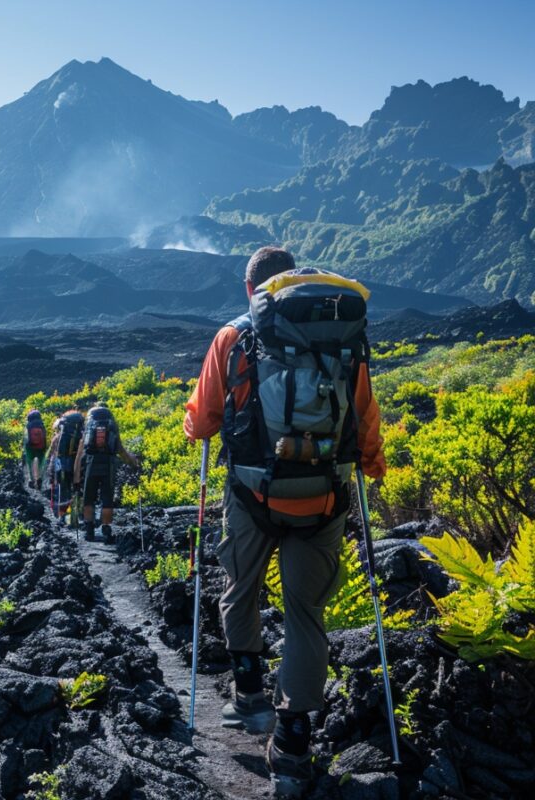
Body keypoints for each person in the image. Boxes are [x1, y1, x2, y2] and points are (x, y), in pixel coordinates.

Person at [184, 247, 385, 798]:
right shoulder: (342, 336)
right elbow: (364, 418)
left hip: (252, 494)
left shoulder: (233, 336)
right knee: (305, 614)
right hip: (324, 499)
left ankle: (249, 695)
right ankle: (293, 745)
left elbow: (202, 423)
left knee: (240, 586)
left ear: (250, 289)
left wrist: (194, 427)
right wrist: (371, 466)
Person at [73, 402, 138, 544]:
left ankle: (89, 530)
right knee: (107, 497)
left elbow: (81, 450)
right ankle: (106, 530)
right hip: (109, 463)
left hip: (91, 462)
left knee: (88, 497)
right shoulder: (112, 425)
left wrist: (76, 473)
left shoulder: (89, 424)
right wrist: (132, 462)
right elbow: (120, 449)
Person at [47, 407, 85, 524]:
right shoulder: (81, 435)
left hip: (61, 466)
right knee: (78, 489)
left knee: (64, 491)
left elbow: (50, 454)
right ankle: (79, 516)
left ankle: (64, 517)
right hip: (77, 466)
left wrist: (49, 468)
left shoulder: (58, 437)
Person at [22, 409, 47, 489]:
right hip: (41, 446)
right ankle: (39, 478)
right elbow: (44, 436)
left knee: (29, 462)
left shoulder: (28, 425)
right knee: (40, 461)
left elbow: (25, 437)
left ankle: (31, 480)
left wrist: (24, 446)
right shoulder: (41, 424)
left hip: (29, 446)